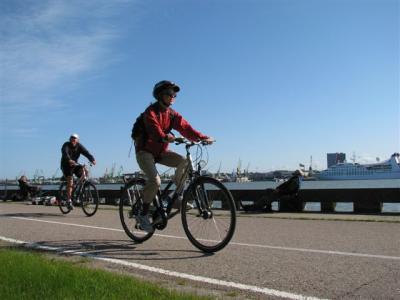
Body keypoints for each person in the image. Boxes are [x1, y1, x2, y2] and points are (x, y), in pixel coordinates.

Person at [134, 80, 214, 232]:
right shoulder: (150, 112)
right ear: (159, 95)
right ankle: (143, 214)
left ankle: (176, 197)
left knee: (184, 162)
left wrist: (202, 137)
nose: (172, 97)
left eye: (174, 94)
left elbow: (186, 128)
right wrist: (164, 136)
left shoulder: (172, 114)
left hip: (161, 152)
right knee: (155, 181)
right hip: (144, 152)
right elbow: (154, 129)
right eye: (169, 94)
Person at [60, 134, 96, 209]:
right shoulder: (66, 145)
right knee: (70, 180)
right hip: (66, 165)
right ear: (69, 139)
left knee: (85, 172)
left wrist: (92, 159)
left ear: (77, 140)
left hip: (75, 165)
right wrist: (69, 159)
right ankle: (69, 201)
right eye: (72, 138)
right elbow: (65, 152)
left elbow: (86, 152)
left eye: (75, 139)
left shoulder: (79, 146)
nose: (73, 140)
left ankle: (79, 192)